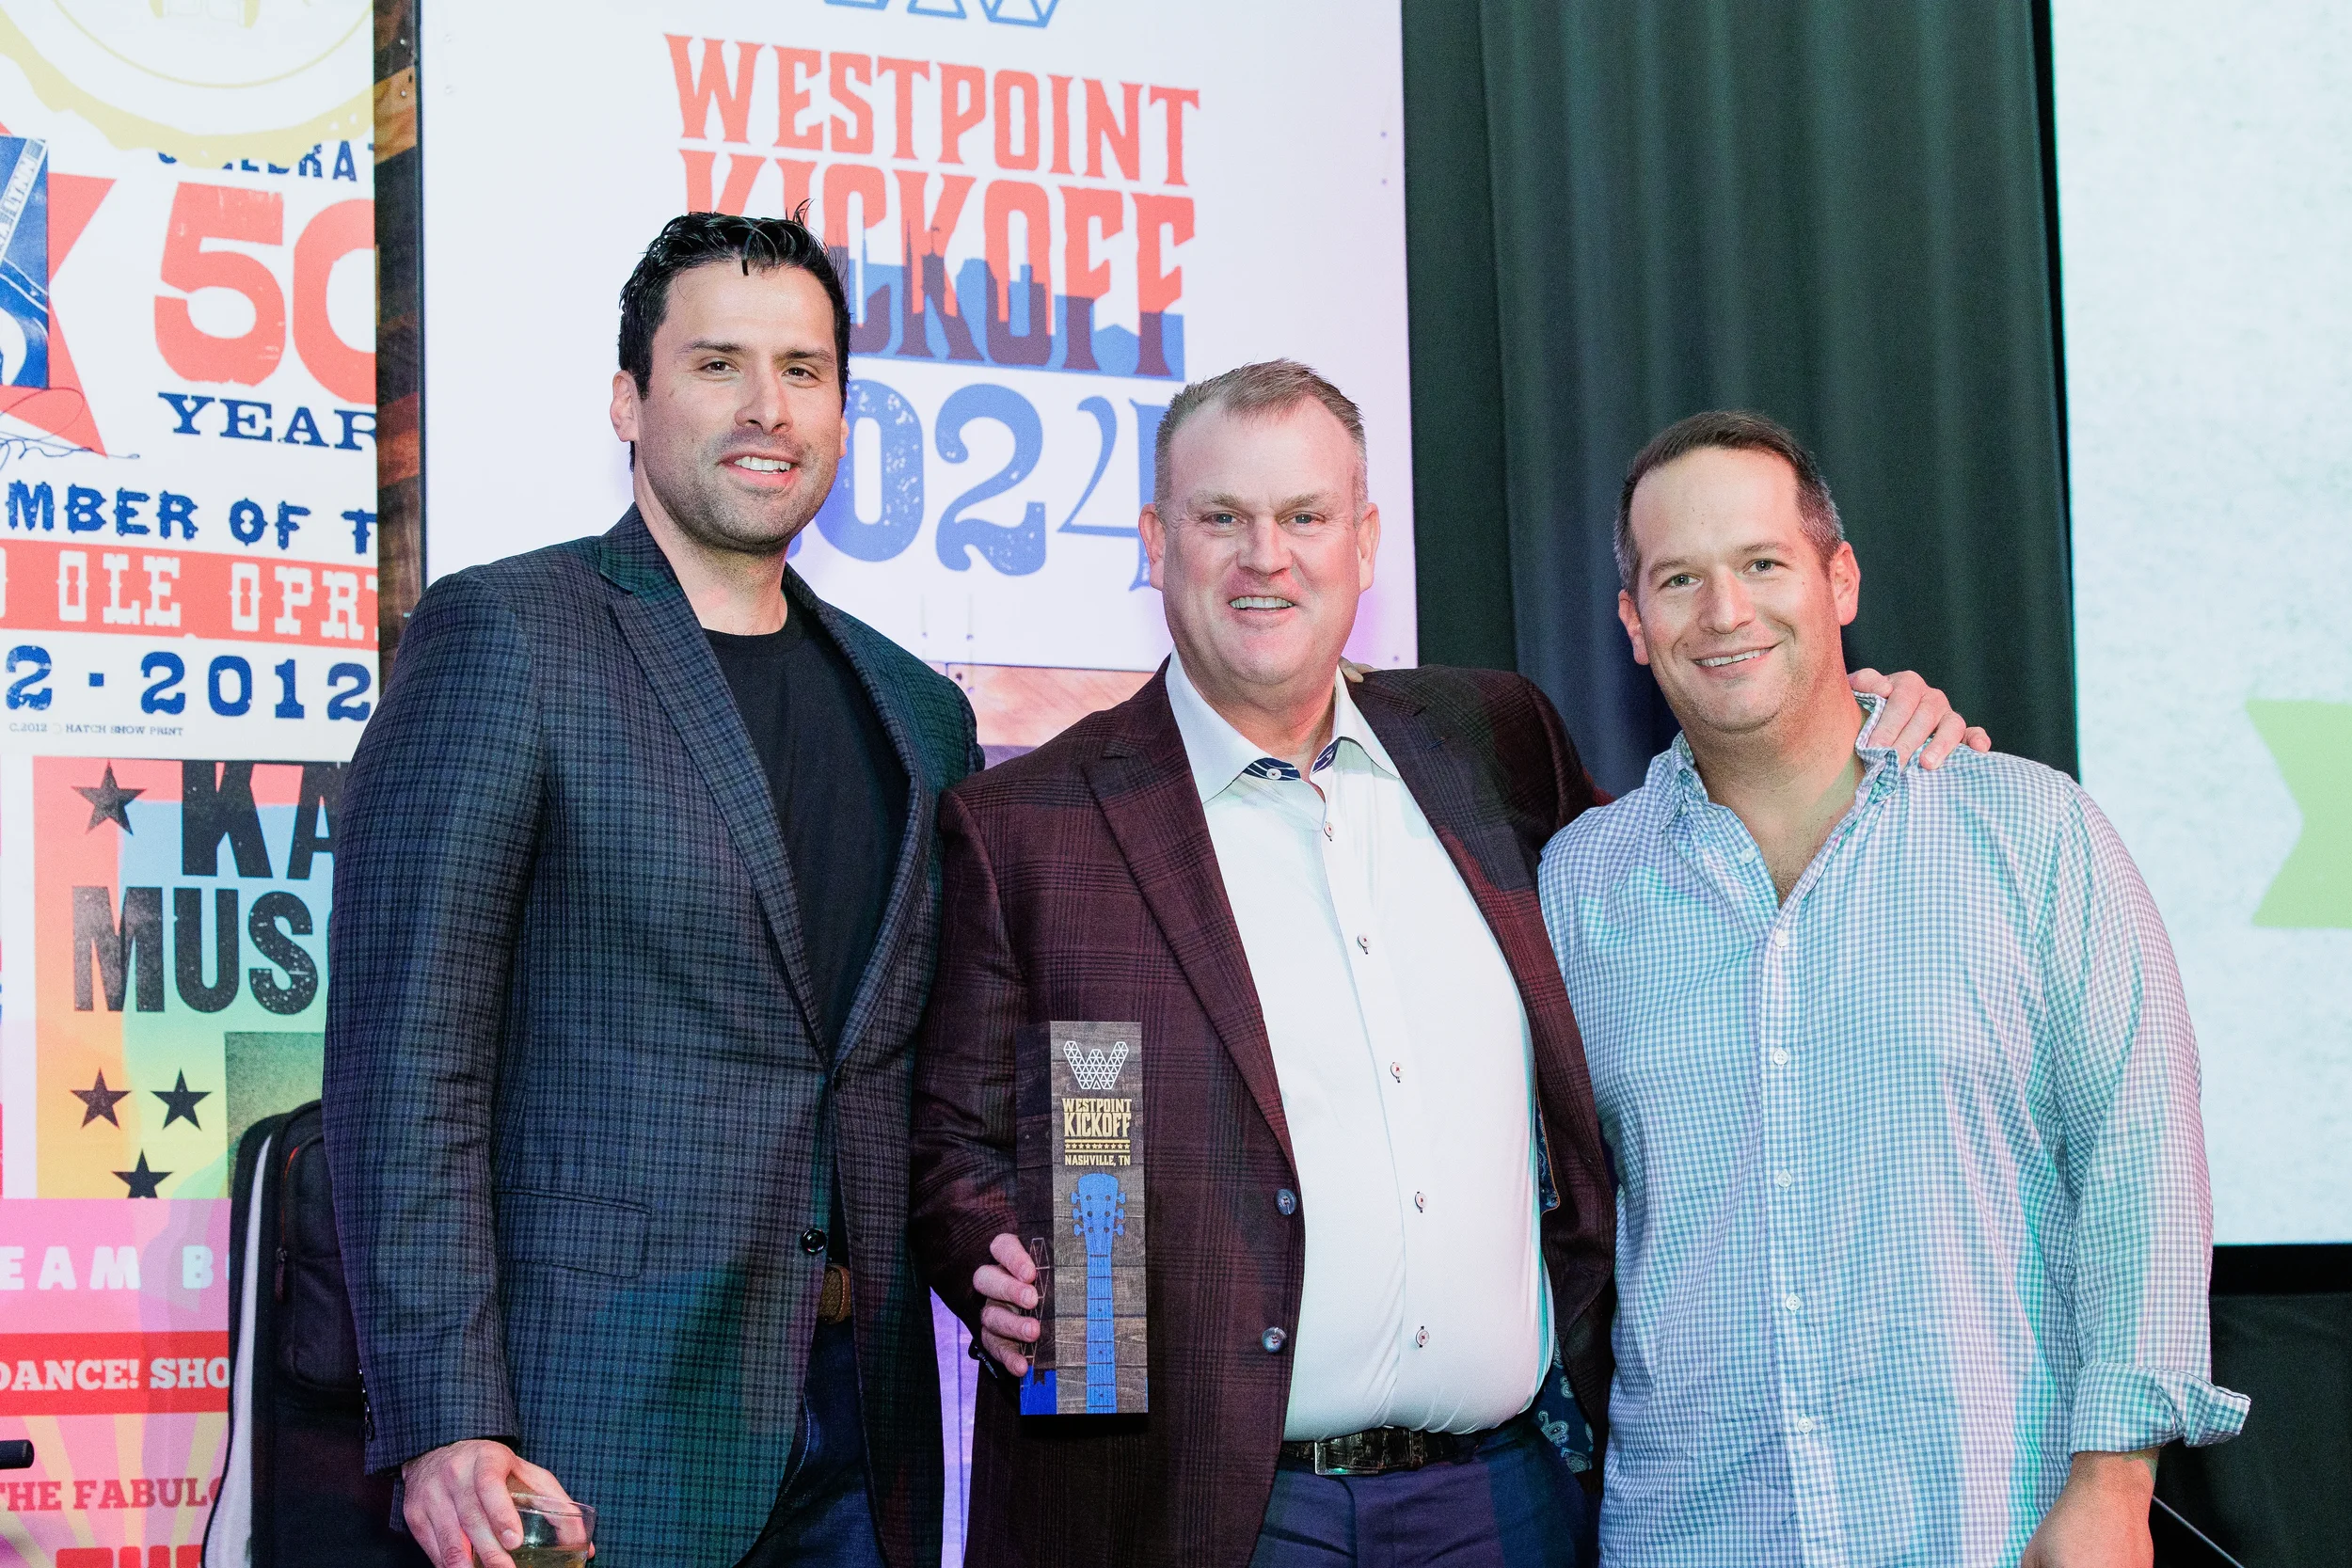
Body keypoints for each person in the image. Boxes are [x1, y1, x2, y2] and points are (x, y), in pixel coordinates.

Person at [906, 363, 1980, 1567]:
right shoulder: (1031, 824)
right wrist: (1002, 1257)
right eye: (1222, 519)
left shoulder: (1492, 741)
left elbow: (1693, 858)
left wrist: (1852, 715)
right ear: (1156, 542)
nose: (1268, 557)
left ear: (1364, 544)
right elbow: (957, 1136)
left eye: (1306, 517)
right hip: (1206, 1510)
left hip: (1507, 1497)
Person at [325, 214, 981, 1568]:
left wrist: (1041, 1257)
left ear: (844, 412)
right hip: (580, 1432)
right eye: (717, 363)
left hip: (866, 1437)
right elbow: (407, 1061)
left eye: (805, 369)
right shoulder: (508, 634)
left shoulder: (920, 713)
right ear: (630, 399)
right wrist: (449, 1415)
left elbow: (920, 1077)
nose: (766, 406)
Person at [1537, 410, 2249, 1566]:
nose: (1724, 613)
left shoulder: (2031, 831)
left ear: (1839, 578)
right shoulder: (1579, 887)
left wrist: (2114, 1484)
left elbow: (2142, 1156)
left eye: (1762, 563)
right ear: (1632, 622)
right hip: (1693, 1531)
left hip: (1988, 1521)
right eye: (1678, 579)